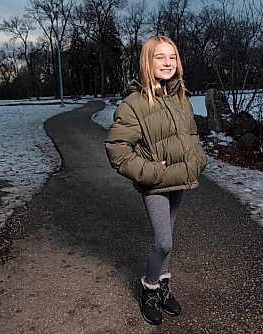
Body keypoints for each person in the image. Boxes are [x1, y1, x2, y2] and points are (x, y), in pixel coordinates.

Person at [104, 36, 207, 326]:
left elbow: (192, 135)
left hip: (180, 179)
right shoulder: (134, 103)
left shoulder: (180, 98)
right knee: (162, 242)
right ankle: (149, 290)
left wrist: (197, 161)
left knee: (169, 240)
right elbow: (117, 150)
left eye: (172, 57)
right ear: (147, 62)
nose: (167, 63)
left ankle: (163, 289)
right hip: (156, 183)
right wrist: (152, 171)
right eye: (159, 57)